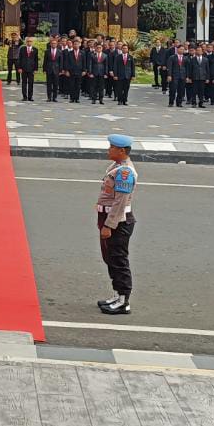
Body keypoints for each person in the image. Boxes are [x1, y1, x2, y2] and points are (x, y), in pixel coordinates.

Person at [95, 134, 137, 315]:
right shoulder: (116, 167)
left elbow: (120, 202)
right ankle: (117, 294)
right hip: (107, 218)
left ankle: (123, 301)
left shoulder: (124, 173)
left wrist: (109, 226)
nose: (108, 150)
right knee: (110, 258)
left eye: (111, 147)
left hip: (118, 222)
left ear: (121, 151)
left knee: (118, 259)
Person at [17, 37, 38, 102]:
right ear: (26, 42)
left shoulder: (35, 49)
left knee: (31, 83)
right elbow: (19, 59)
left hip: (31, 69)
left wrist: (35, 69)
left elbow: (36, 60)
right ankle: (24, 96)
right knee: (24, 83)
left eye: (30, 41)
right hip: (23, 68)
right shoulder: (22, 49)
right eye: (28, 41)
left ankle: (30, 97)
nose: (29, 42)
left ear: (32, 42)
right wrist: (19, 68)